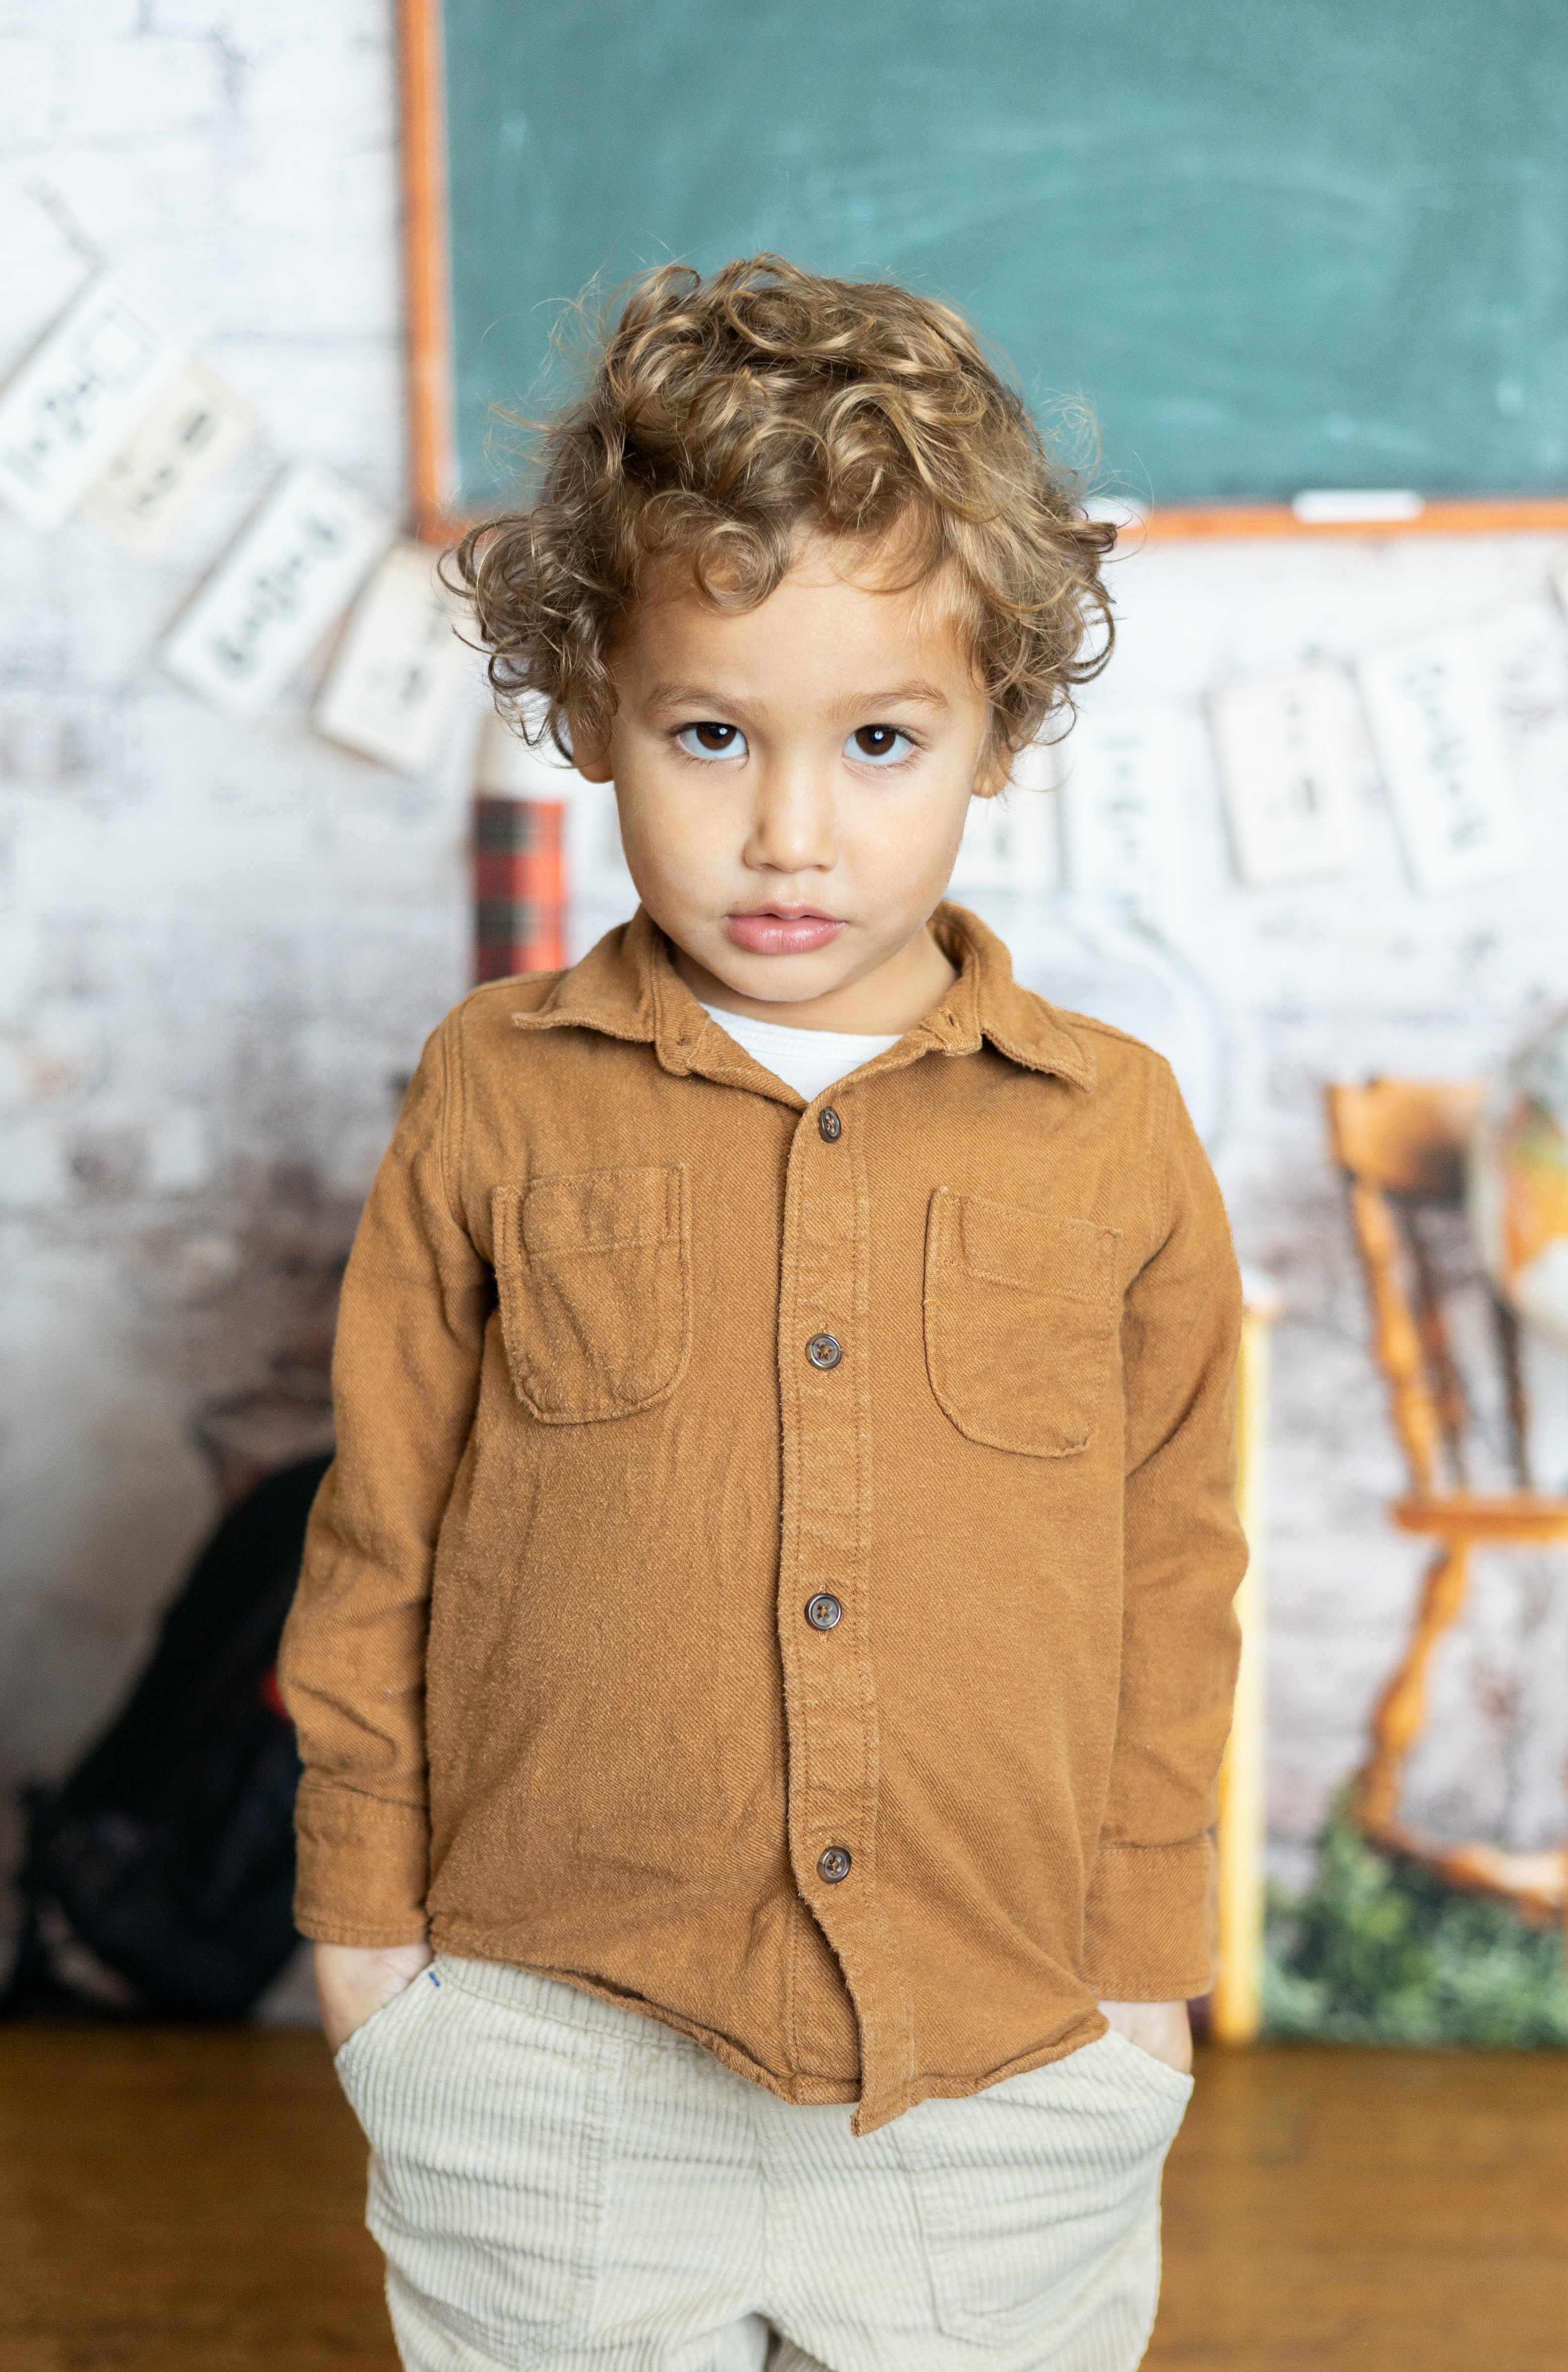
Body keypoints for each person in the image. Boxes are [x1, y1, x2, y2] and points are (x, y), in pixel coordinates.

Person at [280, 254, 1245, 2372]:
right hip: (547, 2059)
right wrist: (368, 1947)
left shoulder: (1112, 1134)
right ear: (588, 708)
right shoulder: (494, 1093)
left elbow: (1172, 1574)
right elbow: (386, 1534)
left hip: (1002, 2072)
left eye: (878, 739)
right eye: (708, 733)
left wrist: (1138, 1980)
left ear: (993, 726)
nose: (789, 832)